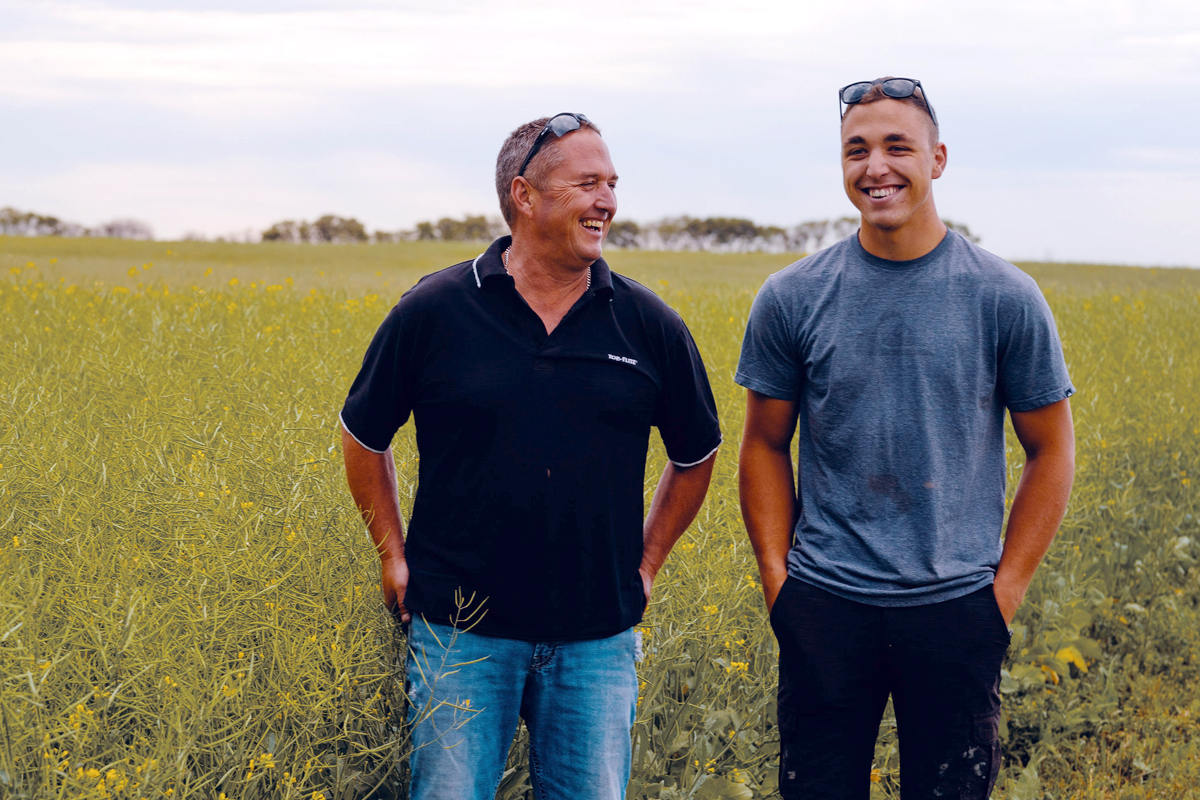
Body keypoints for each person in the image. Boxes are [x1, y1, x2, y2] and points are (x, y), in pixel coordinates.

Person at [340, 113, 722, 800]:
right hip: (459, 635)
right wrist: (391, 555)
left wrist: (647, 563)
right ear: (524, 195)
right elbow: (364, 436)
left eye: (612, 184)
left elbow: (698, 454)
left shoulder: (648, 323)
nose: (607, 200)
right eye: (587, 183)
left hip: (596, 643)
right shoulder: (436, 310)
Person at [736, 78, 1076, 799]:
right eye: (856, 150)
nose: (875, 167)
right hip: (825, 603)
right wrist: (780, 586)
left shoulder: (1004, 297)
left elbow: (1051, 449)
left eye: (898, 146)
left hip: (956, 606)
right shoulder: (792, 296)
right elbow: (763, 444)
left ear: (939, 159)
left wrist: (1001, 595)